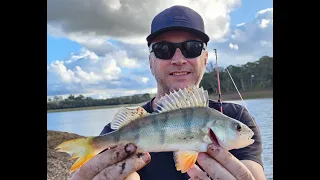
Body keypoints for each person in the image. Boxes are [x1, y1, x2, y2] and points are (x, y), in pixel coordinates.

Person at [70, 5, 266, 180]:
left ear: (205, 60)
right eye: (164, 49)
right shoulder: (114, 134)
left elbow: (253, 172)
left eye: (192, 48)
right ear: (150, 62)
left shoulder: (236, 116)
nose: (179, 59)